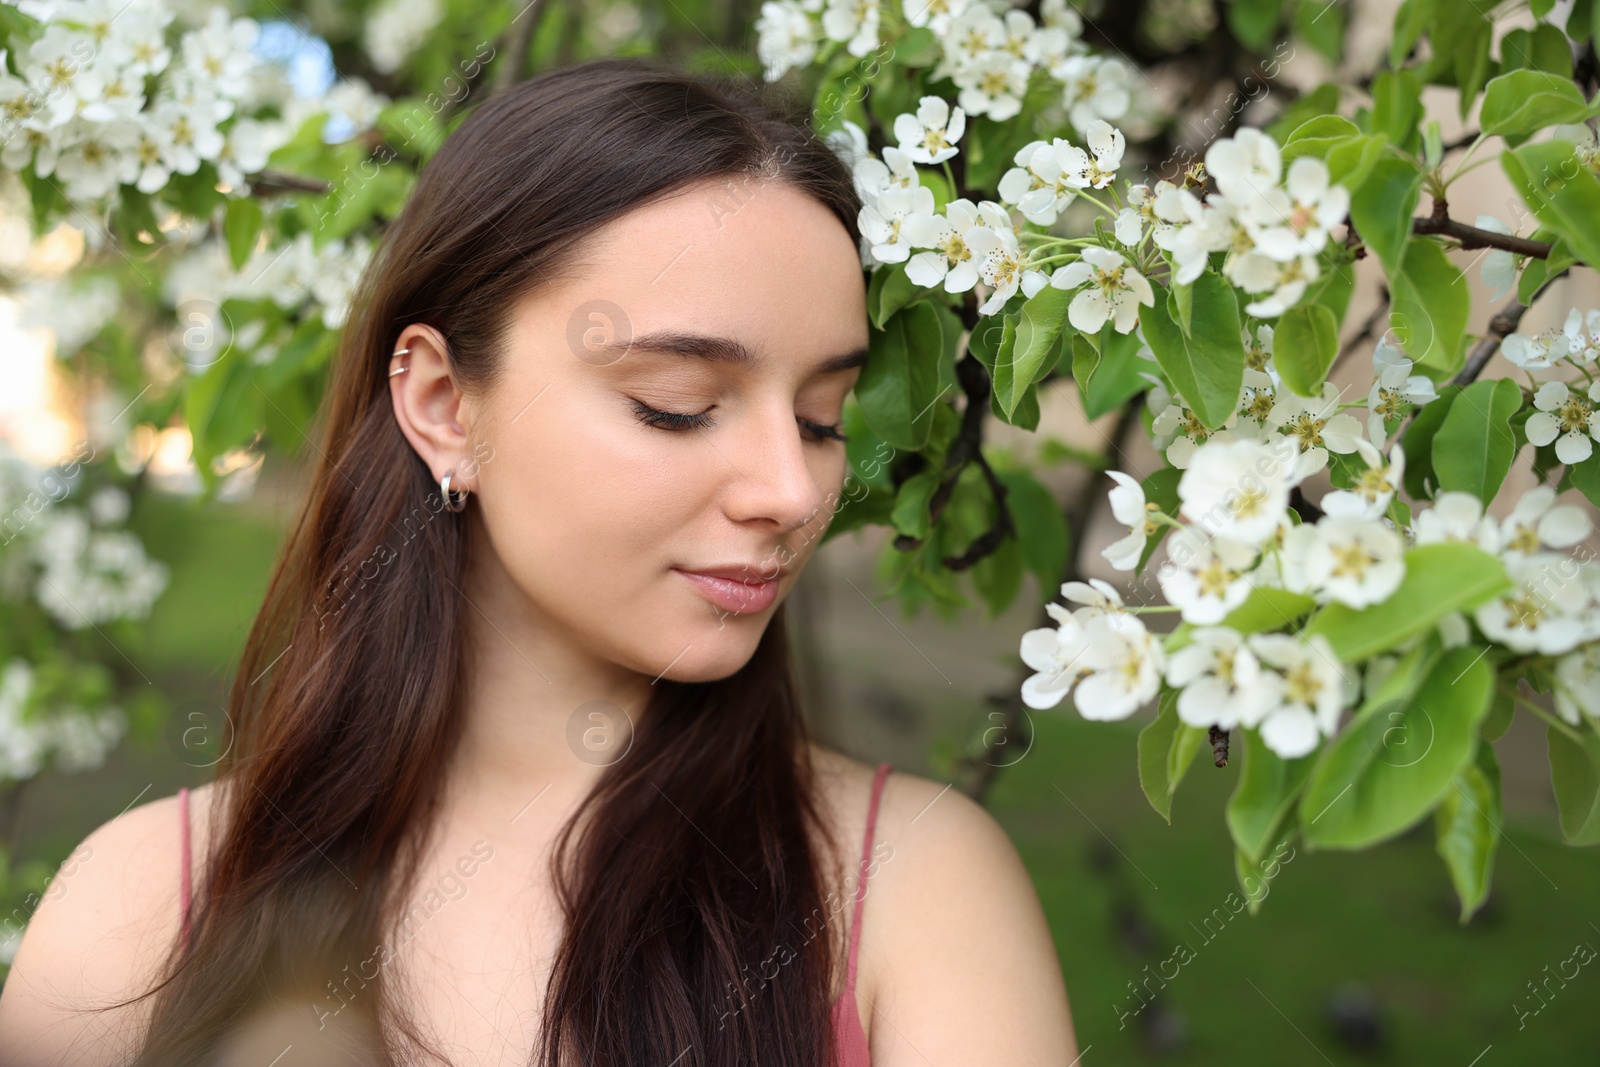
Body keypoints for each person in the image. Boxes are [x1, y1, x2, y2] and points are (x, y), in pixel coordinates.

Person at [0, 56, 1076, 1066]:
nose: (792, 491)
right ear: (441, 402)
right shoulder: (139, 912)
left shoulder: (911, 891)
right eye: (678, 405)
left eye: (822, 417)